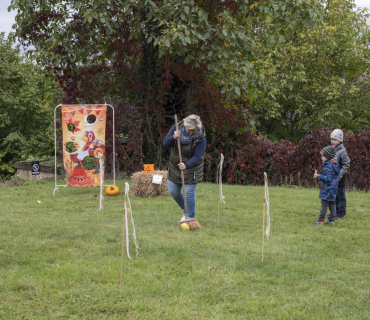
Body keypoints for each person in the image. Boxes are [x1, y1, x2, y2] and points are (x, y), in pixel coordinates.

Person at [163, 115, 206, 221]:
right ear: (185, 126)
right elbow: (165, 144)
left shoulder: (201, 137)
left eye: (193, 131)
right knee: (173, 191)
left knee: (189, 192)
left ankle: (190, 217)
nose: (191, 133)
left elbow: (197, 156)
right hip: (175, 166)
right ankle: (185, 210)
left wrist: (186, 165)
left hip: (192, 167)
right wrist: (173, 137)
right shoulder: (177, 128)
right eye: (189, 130)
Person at [313, 146, 340, 225]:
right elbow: (331, 176)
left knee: (324, 204)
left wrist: (318, 177)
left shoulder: (328, 166)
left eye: (323, 155)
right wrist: (321, 175)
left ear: (328, 156)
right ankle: (331, 220)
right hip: (334, 188)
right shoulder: (335, 164)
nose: (321, 157)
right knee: (332, 203)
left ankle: (320, 221)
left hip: (327, 188)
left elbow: (328, 178)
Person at [330, 129, 350, 219]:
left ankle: (341, 213)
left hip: (340, 178)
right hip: (333, 177)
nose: (333, 141)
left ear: (340, 140)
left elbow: (346, 165)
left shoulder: (342, 151)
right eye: (332, 139)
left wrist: (340, 175)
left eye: (335, 139)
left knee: (340, 196)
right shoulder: (332, 150)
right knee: (334, 196)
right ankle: (335, 212)